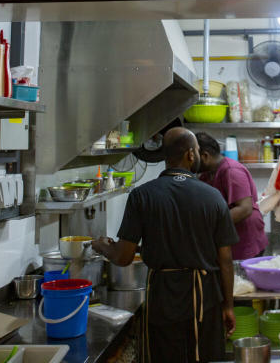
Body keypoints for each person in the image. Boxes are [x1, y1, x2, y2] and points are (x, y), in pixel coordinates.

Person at [92, 128, 239, 363]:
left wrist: (100, 246)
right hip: (203, 296)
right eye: (198, 151)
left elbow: (122, 257)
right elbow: (225, 260)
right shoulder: (213, 197)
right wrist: (228, 306)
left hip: (162, 296)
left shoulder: (142, 195)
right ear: (191, 154)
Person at [196, 132, 269, 260]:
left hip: (245, 238)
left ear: (204, 156)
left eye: (193, 157)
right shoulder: (206, 176)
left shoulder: (231, 171)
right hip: (229, 238)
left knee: (242, 277)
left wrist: (209, 225)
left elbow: (244, 209)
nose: (191, 161)